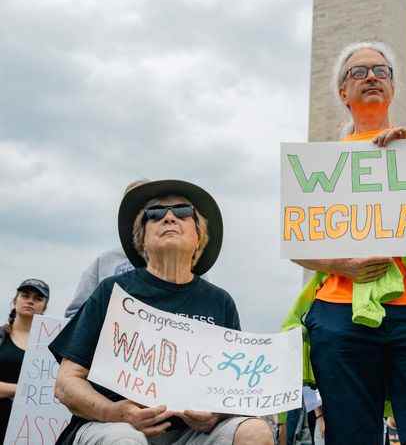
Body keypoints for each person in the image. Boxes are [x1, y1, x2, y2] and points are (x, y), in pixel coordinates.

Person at [282, 41, 406, 445]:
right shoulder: (321, 163)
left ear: (392, 88)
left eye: (381, 71)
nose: (371, 76)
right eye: (358, 72)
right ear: (343, 93)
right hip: (339, 316)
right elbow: (298, 241)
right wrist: (344, 266)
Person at [50, 179, 274, 445]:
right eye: (154, 214)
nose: (168, 217)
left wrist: (215, 413)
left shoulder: (220, 302)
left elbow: (235, 390)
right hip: (113, 425)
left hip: (191, 434)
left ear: (199, 236)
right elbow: (66, 382)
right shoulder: (112, 291)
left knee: (255, 432)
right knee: (124, 440)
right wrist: (113, 412)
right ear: (141, 239)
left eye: (183, 212)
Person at [65, 180, 209, 319]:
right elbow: (75, 315)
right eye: (133, 206)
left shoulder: (187, 262)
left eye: (153, 208)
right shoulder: (104, 263)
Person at [0, 279, 50, 442]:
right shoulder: (1, 337)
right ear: (15, 301)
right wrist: (23, 389)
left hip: (32, 431)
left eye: (38, 298)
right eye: (25, 295)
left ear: (44, 307)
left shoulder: (51, 345)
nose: (30, 301)